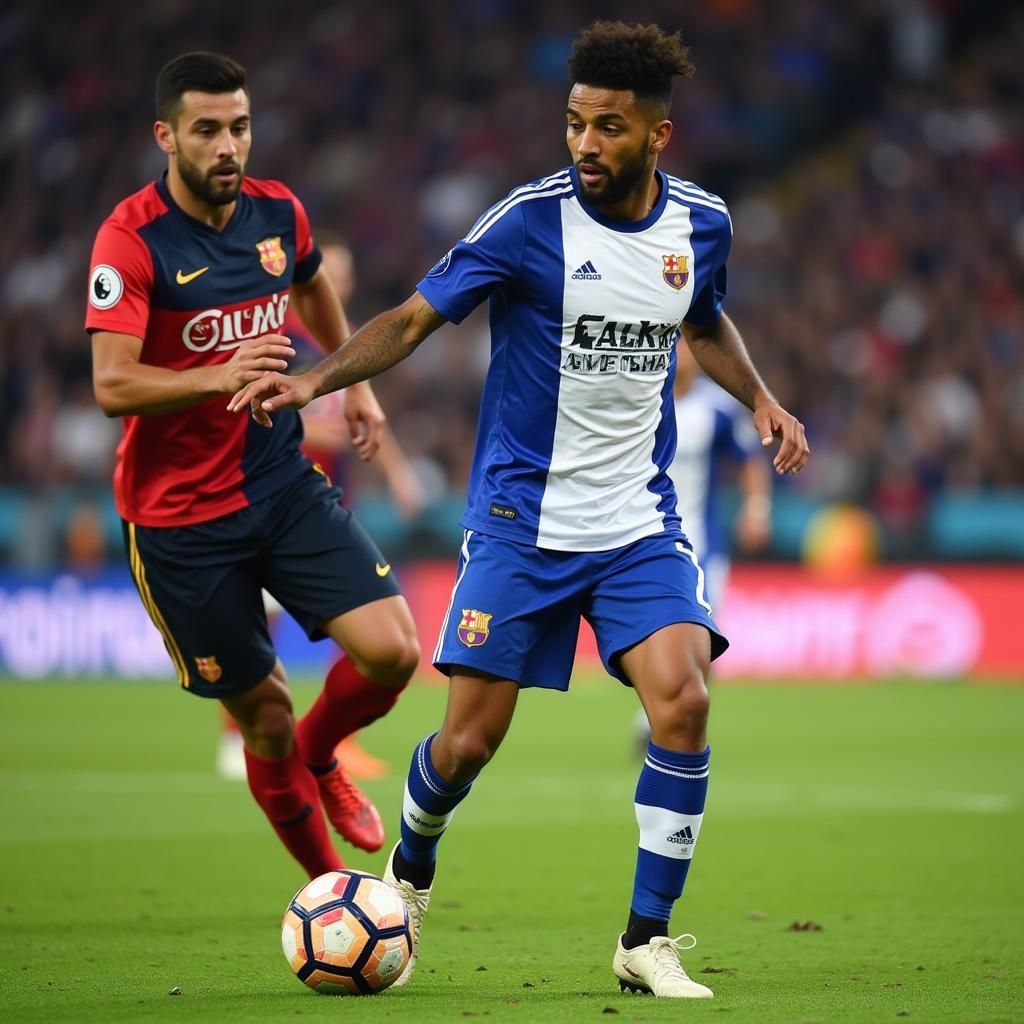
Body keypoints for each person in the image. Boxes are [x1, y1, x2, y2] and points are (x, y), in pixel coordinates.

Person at [229, 21, 810, 998]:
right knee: (465, 743)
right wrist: (317, 377)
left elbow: (702, 319)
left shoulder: (700, 224)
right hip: (519, 523)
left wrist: (757, 395)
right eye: (575, 123)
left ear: (656, 137)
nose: (585, 144)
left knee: (684, 700)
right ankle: (408, 873)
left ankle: (644, 939)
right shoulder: (527, 222)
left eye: (609, 128)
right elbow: (414, 317)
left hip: (636, 522)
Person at [85, 52, 420, 879]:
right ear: (166, 136)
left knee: (394, 652)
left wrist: (353, 380)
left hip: (277, 475)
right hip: (177, 520)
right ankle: (328, 894)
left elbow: (310, 286)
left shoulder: (279, 213)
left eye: (238, 126)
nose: (227, 146)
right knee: (261, 716)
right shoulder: (130, 241)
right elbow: (111, 383)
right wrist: (220, 373)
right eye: (206, 131)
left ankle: (322, 755)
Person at [216, 235, 424, 783]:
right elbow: (263, 411)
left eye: (346, 272)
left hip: (325, 502)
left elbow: (364, 410)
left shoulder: (344, 344)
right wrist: (317, 428)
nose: (340, 282)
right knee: (254, 624)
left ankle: (338, 739)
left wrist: (399, 474)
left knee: (361, 622)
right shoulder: (281, 340)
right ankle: (235, 740)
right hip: (273, 500)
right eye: (330, 271)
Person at [631, 340, 771, 753]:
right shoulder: (640, 402)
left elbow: (749, 460)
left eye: (689, 347)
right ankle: (658, 712)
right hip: (645, 538)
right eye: (675, 347)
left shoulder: (718, 410)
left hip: (703, 544)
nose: (681, 355)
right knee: (652, 631)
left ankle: (655, 719)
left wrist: (756, 510)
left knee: (702, 636)